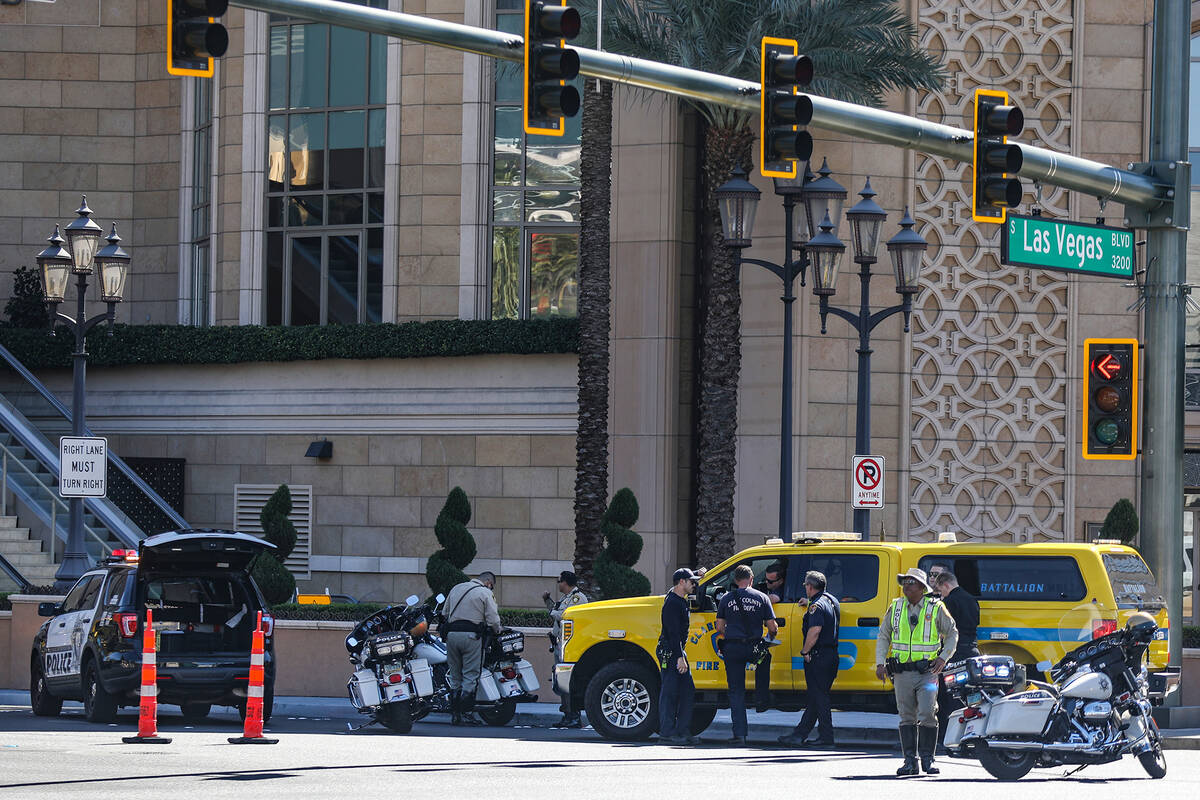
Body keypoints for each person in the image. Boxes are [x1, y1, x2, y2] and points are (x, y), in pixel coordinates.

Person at [875, 567, 958, 777]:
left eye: (911, 582)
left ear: (922, 587)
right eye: (904, 582)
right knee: (906, 716)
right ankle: (909, 761)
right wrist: (879, 663)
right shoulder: (895, 607)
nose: (906, 586)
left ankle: (928, 759)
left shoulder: (935, 607)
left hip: (928, 673)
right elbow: (884, 636)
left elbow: (952, 634)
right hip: (902, 673)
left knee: (928, 713)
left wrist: (943, 658)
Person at [715, 564, 778, 745]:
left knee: (736, 691)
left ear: (736, 580)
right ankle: (761, 699)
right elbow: (772, 627)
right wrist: (770, 637)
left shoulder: (727, 598)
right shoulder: (762, 597)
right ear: (751, 580)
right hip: (754, 646)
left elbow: (720, 627)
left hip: (733, 648)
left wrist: (732, 635)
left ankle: (740, 735)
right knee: (765, 659)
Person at [779, 570, 841, 748]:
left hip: (818, 656)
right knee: (816, 697)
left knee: (820, 698)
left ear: (810, 586)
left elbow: (815, 631)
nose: (805, 588)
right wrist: (809, 603)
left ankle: (826, 738)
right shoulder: (831, 600)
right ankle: (799, 734)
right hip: (830, 656)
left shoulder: (816, 607)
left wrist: (805, 651)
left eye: (806, 585)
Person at [443, 571, 502, 726]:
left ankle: (455, 714)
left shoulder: (456, 588)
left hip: (452, 636)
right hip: (472, 637)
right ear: (489, 582)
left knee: (455, 678)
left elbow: (445, 613)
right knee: (470, 676)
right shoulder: (485, 593)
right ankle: (467, 713)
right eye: (492, 586)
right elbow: (493, 619)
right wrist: (497, 631)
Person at [933, 569, 980, 745]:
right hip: (972, 652)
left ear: (946, 585)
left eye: (941, 590)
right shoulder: (972, 600)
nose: (941, 594)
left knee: (947, 697)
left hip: (954, 653)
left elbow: (944, 630)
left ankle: (947, 736)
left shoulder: (949, 602)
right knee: (968, 694)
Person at [658, 567, 700, 745]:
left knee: (687, 690)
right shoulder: (672, 603)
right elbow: (673, 633)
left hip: (677, 651)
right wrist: (679, 657)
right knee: (669, 693)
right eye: (691, 582)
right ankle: (667, 733)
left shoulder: (677, 599)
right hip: (671, 651)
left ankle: (682, 731)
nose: (694, 585)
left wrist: (698, 573)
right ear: (681, 582)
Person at [544, 570, 588, 728]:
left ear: (566, 582)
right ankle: (567, 715)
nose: (559, 584)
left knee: (567, 682)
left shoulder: (577, 598)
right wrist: (547, 601)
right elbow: (556, 612)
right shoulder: (566, 598)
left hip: (569, 646)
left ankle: (573, 716)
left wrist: (553, 611)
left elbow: (565, 616)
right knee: (561, 682)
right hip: (560, 645)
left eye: (560, 581)